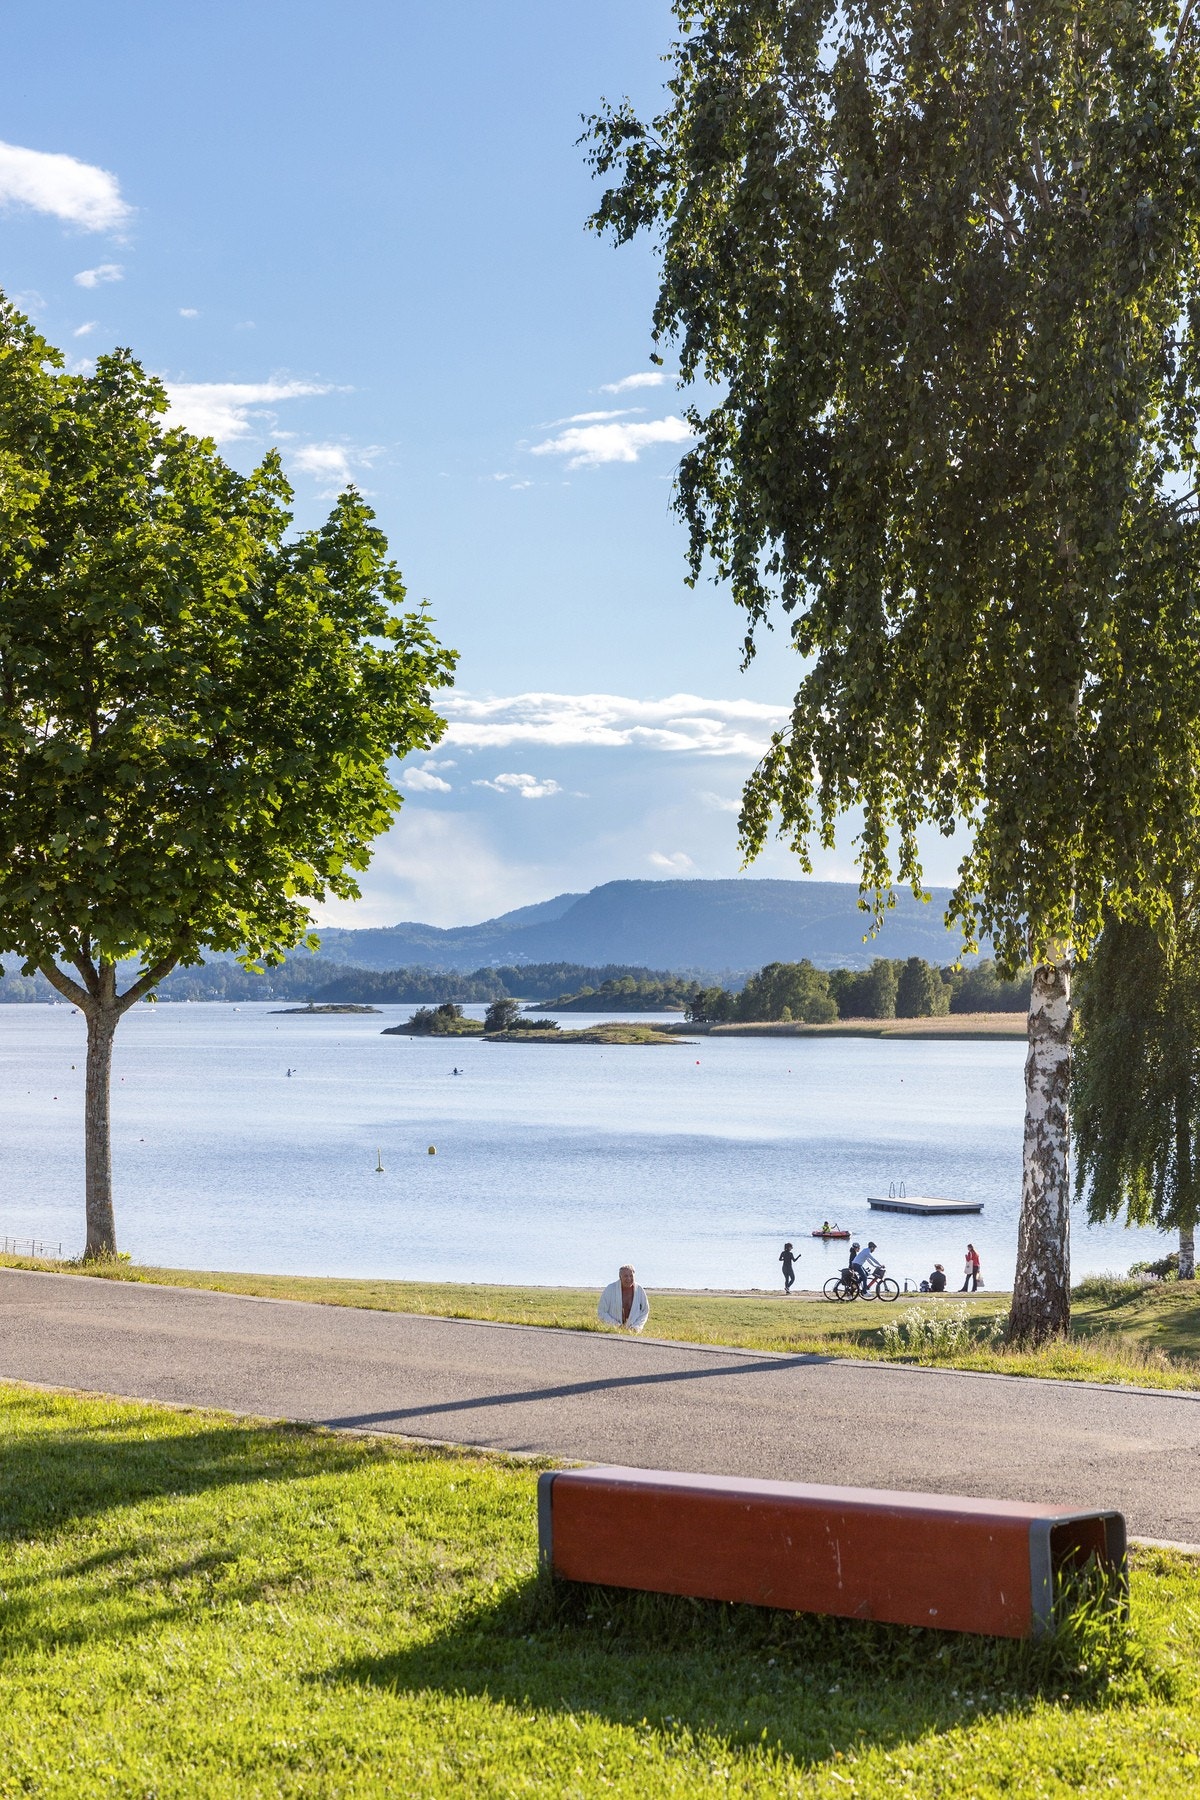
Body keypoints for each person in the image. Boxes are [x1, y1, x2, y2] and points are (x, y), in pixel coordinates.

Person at [597, 1264, 650, 1332]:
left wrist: (636, 1327)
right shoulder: (610, 1289)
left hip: (633, 1332)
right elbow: (601, 1312)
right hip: (612, 1331)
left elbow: (645, 1311)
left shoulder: (640, 1290)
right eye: (625, 1276)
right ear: (620, 1277)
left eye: (631, 1276)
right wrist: (617, 1326)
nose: (628, 1279)